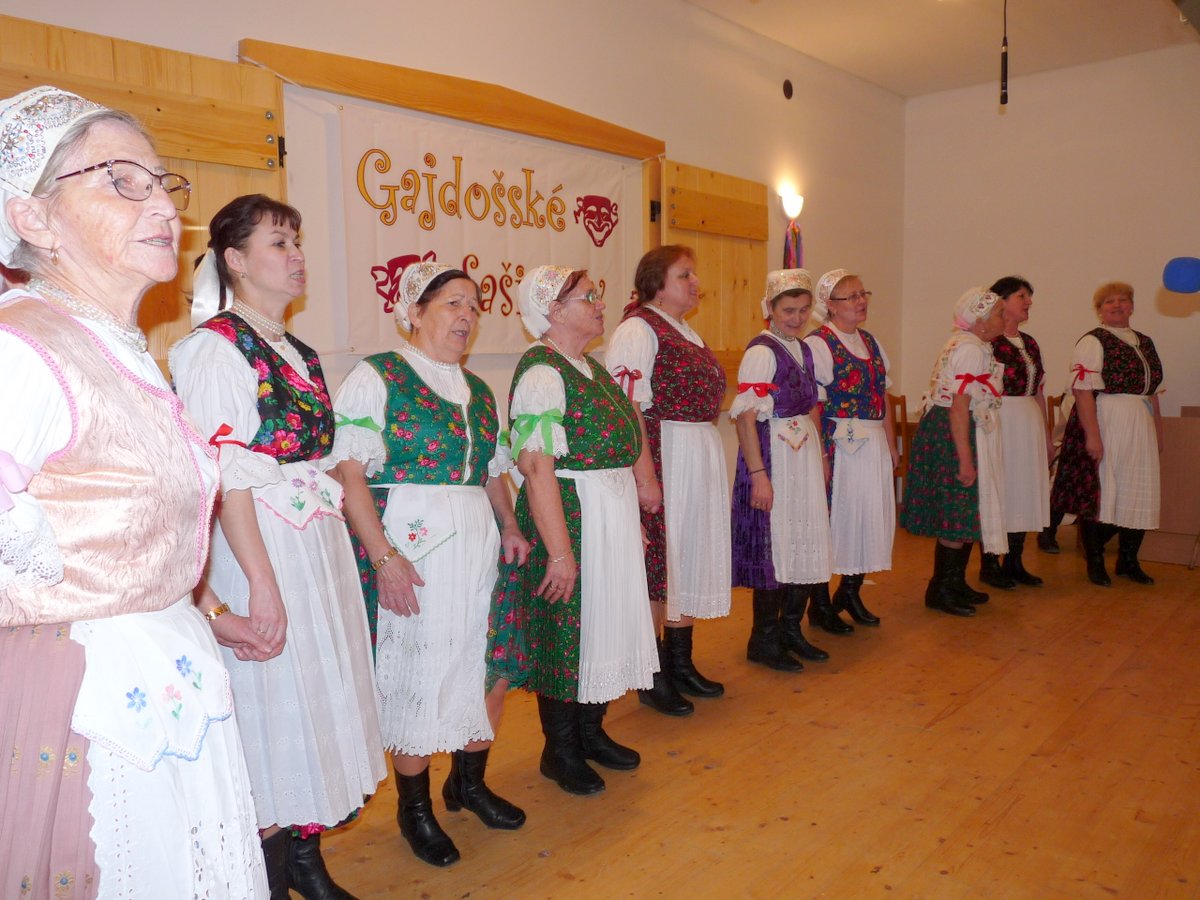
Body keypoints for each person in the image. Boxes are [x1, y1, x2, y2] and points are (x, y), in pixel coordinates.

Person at [0, 85, 266, 898]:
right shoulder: (24, 348)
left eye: (161, 182)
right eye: (122, 181)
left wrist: (208, 612)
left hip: (161, 676)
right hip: (82, 700)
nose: (163, 205)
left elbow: (129, 527)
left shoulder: (116, 347)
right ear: (33, 218)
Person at [170, 194, 387, 898]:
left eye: (297, 241)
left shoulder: (300, 352)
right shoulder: (214, 349)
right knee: (270, 708)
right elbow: (225, 476)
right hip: (258, 543)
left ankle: (304, 861)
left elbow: (315, 462)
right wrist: (261, 586)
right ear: (235, 259)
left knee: (312, 701)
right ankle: (266, 877)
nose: (296, 256)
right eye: (278, 243)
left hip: (311, 542)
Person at [333, 261, 529, 868]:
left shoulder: (479, 390)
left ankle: (468, 784)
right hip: (410, 543)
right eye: (452, 303)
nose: (466, 316)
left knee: (480, 663)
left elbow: (492, 471)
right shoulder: (377, 376)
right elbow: (349, 474)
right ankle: (414, 809)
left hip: (477, 542)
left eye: (473, 305)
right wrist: (384, 558)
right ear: (414, 312)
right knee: (415, 673)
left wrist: (511, 524)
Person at [500, 264, 658, 794]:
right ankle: (560, 749)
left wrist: (630, 518)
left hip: (607, 513)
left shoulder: (590, 368)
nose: (599, 303)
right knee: (566, 631)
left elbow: (626, 441)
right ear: (553, 311)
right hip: (569, 514)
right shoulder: (542, 374)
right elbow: (536, 468)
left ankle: (592, 732)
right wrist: (560, 553)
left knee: (605, 622)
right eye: (588, 296)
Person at [606, 245, 730, 717]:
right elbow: (627, 407)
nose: (695, 282)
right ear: (657, 283)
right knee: (661, 567)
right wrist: (645, 477)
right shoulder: (638, 329)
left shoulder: (684, 329)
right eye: (684, 275)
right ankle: (653, 672)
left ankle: (681, 662)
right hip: (664, 454)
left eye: (694, 274)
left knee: (687, 557)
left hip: (695, 453)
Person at [730, 269, 831, 671]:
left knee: (803, 538)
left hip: (802, 457)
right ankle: (764, 639)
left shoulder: (803, 349)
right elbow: (745, 418)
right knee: (776, 545)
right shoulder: (762, 352)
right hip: (774, 456)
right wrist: (759, 475)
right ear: (770, 309)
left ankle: (791, 630)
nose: (797, 317)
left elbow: (812, 407)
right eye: (789, 310)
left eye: (804, 309)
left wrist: (822, 458)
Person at [1050, 282, 1164, 587]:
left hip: (1140, 423)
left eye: (1123, 300)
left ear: (1132, 306)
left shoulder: (1145, 342)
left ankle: (1128, 560)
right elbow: (1082, 391)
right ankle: (1096, 559)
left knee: (1138, 490)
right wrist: (1093, 436)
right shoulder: (1093, 341)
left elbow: (1152, 392)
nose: (1117, 305)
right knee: (1103, 493)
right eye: (1109, 302)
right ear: (1099, 310)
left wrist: (1158, 432)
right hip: (1107, 419)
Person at [804, 269, 899, 632]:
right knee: (835, 521)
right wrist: (821, 455)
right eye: (852, 296)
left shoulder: (870, 342)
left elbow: (882, 396)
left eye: (863, 294)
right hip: (841, 445)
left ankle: (849, 591)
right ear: (830, 305)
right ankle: (820, 605)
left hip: (871, 442)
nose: (861, 302)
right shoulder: (819, 344)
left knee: (865, 517)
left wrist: (890, 442)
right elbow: (813, 405)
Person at [901, 288, 1007, 616]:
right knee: (957, 510)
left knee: (964, 511)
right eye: (999, 313)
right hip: (953, 434)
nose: (1004, 318)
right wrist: (965, 459)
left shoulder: (972, 344)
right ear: (980, 321)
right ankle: (941, 589)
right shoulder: (971, 349)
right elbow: (959, 407)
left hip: (954, 430)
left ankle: (955, 582)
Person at [983, 276, 1051, 589]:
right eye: (1022, 296)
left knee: (1023, 488)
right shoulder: (988, 342)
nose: (1029, 302)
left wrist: (1046, 436)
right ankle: (990, 565)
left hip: (1028, 421)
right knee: (1001, 488)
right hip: (1001, 420)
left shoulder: (1031, 343)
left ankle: (1014, 562)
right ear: (1002, 301)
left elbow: (1039, 392)